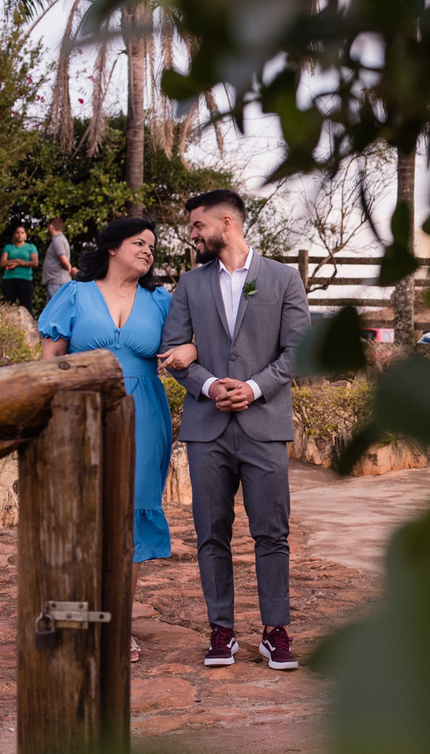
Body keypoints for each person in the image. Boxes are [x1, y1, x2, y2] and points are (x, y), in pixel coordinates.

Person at [160, 189, 309, 670]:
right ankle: (221, 631)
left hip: (265, 425)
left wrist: (253, 388)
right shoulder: (189, 284)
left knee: (272, 533)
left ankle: (275, 631)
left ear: (227, 222)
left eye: (197, 225)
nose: (192, 234)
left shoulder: (284, 278)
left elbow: (298, 351)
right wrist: (208, 387)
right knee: (211, 533)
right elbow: (173, 350)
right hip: (207, 429)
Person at [38, 217, 197, 664]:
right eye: (138, 243)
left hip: (144, 417)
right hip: (81, 413)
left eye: (152, 246)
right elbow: (49, 361)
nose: (148, 251)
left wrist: (193, 349)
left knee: (131, 519)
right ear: (112, 248)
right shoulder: (75, 294)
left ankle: (116, 624)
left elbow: (192, 344)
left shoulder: (161, 301)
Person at [0, 225, 38, 312]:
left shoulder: (31, 247)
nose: (19, 235)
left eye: (22, 233)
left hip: (25, 279)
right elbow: (2, 263)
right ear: (14, 235)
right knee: (8, 307)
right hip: (9, 280)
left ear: (25, 235)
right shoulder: (8, 247)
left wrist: (20, 264)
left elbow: (35, 262)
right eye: (17, 233)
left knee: (27, 307)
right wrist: (17, 261)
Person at [41, 217, 75, 301]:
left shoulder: (58, 240)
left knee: (56, 308)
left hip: (57, 283)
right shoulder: (59, 239)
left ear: (50, 226)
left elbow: (63, 259)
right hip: (57, 282)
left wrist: (69, 269)